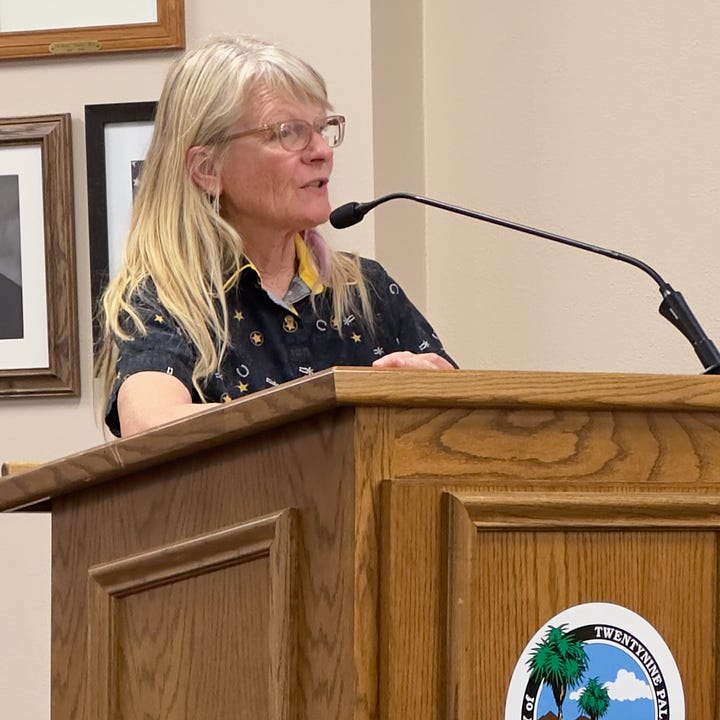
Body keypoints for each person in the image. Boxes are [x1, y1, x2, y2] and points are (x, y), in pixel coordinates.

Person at [96, 35, 456, 438]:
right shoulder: (166, 298)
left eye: (323, 128)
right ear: (208, 169)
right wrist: (326, 414)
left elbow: (468, 427)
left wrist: (442, 391)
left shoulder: (366, 288)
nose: (322, 150)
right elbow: (147, 423)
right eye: (288, 132)